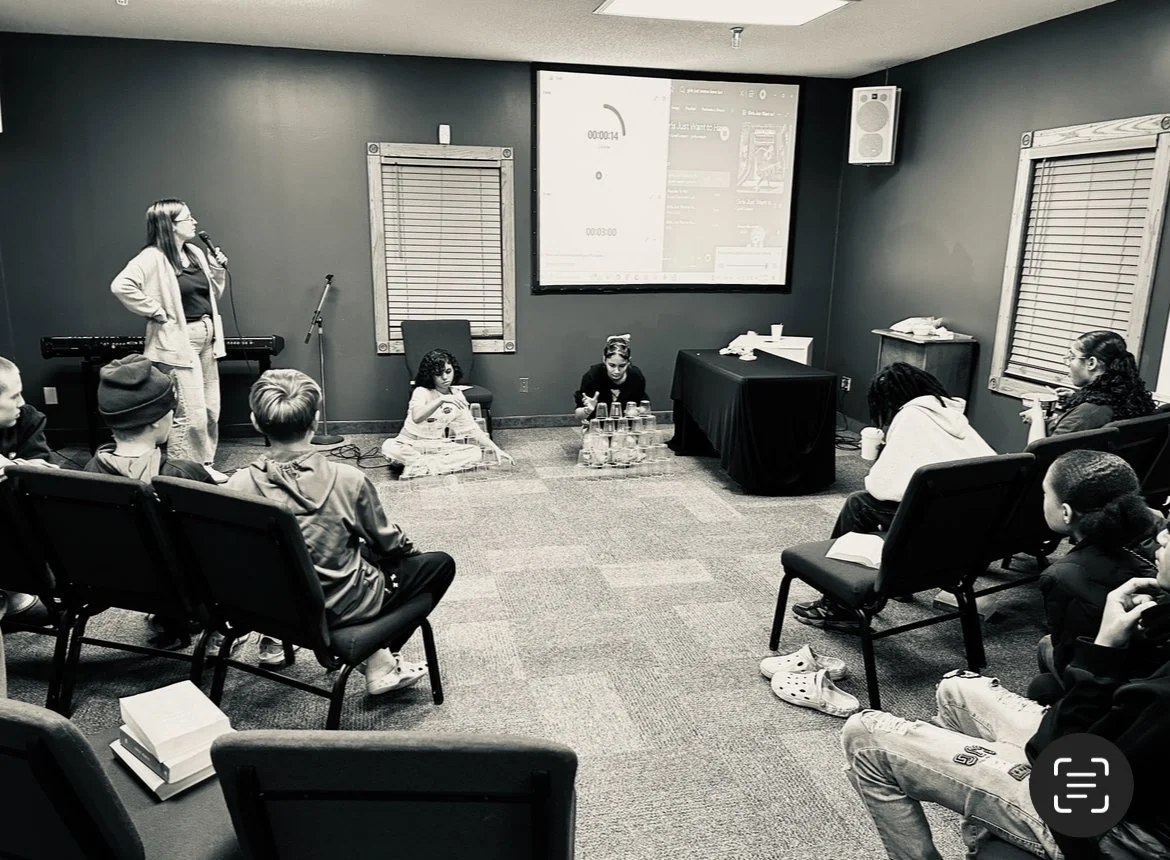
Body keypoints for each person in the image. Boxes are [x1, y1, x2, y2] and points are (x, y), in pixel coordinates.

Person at [841, 563, 1170, 859]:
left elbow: (1052, 756)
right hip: (1114, 769)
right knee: (957, 689)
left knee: (865, 736)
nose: (1161, 533)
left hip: (1107, 829)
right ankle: (984, 807)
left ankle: (990, 807)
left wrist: (1104, 648)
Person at [229, 370, 456, 691]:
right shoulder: (347, 480)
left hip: (273, 604)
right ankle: (379, 658)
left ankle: (374, 657)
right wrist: (406, 549)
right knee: (439, 564)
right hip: (340, 604)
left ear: (255, 421)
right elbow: (389, 543)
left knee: (356, 551)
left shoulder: (236, 485)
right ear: (316, 419)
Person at [792, 363, 995, 630]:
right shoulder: (953, 416)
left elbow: (881, 487)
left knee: (859, 503)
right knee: (902, 503)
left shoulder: (911, 416)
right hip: (979, 530)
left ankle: (839, 605)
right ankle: (898, 583)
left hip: (941, 530)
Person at [110, 199, 231, 482]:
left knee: (210, 407)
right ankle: (184, 471)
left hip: (207, 335)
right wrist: (155, 310)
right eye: (188, 218)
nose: (194, 222)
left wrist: (216, 269)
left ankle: (204, 463)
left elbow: (212, 294)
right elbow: (121, 285)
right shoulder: (152, 257)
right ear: (170, 225)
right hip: (178, 342)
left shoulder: (195, 252)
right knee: (191, 412)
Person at [1029, 449, 1163, 702]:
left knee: (1046, 654)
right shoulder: (1158, 535)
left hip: (1116, 688)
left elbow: (1073, 659)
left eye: (1045, 494)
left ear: (1066, 513)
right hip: (1155, 672)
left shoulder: (1060, 577)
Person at [381, 349, 513, 479]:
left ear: (454, 370)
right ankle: (426, 464)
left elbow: (471, 428)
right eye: (438, 374)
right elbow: (417, 417)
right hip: (408, 444)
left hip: (436, 445)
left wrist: (496, 449)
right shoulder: (421, 391)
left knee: (475, 453)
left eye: (448, 371)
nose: (445, 377)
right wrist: (441, 399)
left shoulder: (457, 395)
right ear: (430, 375)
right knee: (389, 447)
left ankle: (421, 465)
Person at [84, 354, 214, 483]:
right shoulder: (186, 474)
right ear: (155, 419)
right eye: (170, 409)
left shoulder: (91, 470)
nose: (172, 415)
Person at [1021, 330, 1156, 445]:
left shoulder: (1088, 413)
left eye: (1072, 357)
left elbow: (1039, 457)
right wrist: (1077, 397)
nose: (1068, 363)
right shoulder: (1127, 399)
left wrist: (1037, 419)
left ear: (1091, 363)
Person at [573, 334, 648, 423]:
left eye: (622, 366)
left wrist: (638, 411)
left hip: (625, 426)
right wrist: (588, 410)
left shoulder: (636, 377)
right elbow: (578, 416)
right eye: (612, 365)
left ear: (628, 362)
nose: (616, 371)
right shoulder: (593, 377)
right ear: (604, 360)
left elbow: (644, 406)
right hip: (596, 426)